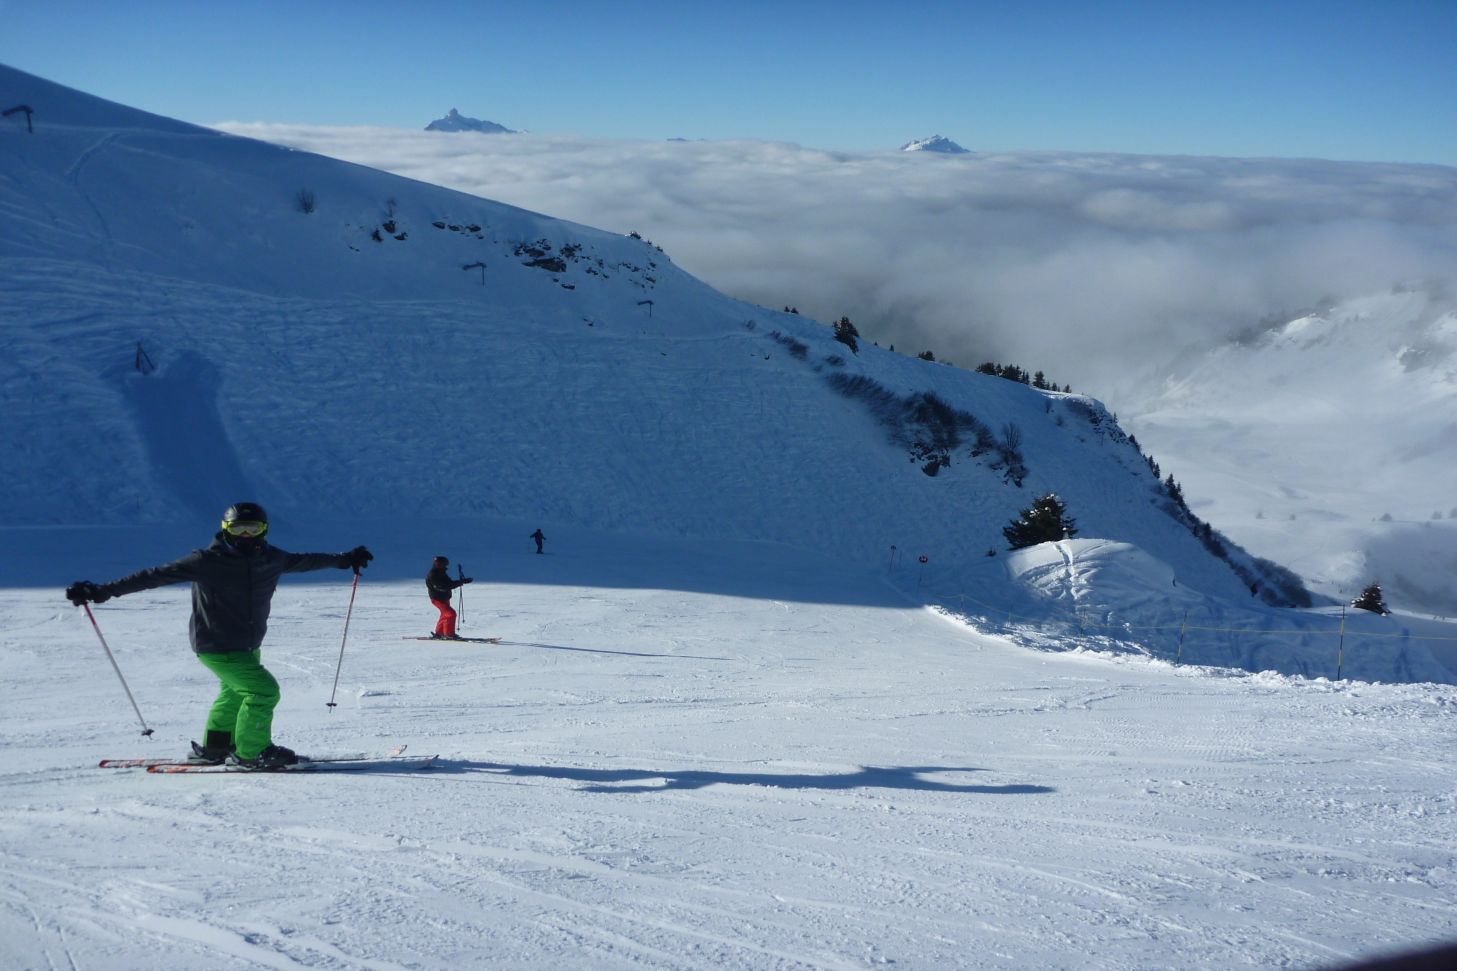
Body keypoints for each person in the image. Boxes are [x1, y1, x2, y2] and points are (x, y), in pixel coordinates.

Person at [64, 502, 372, 770]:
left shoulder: (272, 558)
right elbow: (153, 576)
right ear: (225, 529)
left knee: (235, 691)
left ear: (263, 529)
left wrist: (344, 559)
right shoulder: (205, 561)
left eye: (252, 529)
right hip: (217, 644)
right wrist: (102, 591)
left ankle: (216, 747)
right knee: (264, 691)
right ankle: (252, 753)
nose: (245, 536)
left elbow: (306, 561)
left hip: (248, 643)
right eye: (238, 530)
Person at [426, 555, 472, 639]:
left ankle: (439, 633)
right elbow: (443, 586)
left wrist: (462, 581)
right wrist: (459, 583)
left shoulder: (441, 572)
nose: (446, 566)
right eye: (445, 564)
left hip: (444, 597)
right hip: (437, 599)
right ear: (439, 564)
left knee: (445, 614)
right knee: (451, 614)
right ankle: (449, 634)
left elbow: (449, 583)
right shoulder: (433, 574)